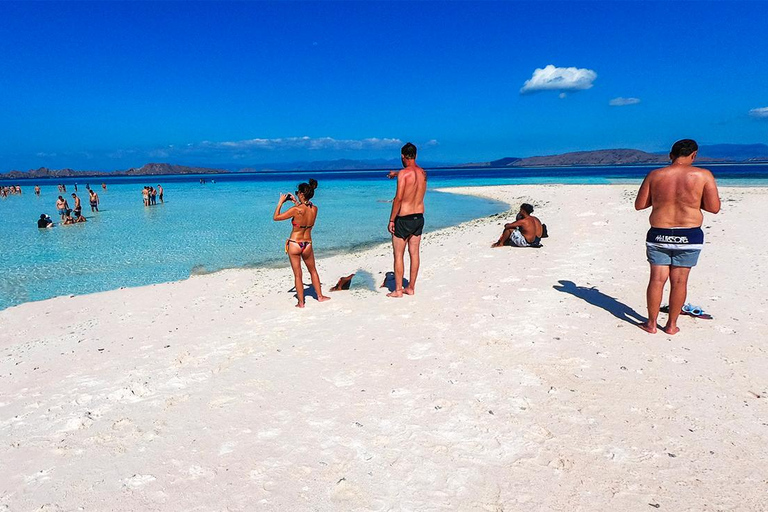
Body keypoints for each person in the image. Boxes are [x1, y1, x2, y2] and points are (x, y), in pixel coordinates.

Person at [635, 139, 720, 335]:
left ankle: (651, 324)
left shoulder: (655, 175)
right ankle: (671, 325)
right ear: (694, 155)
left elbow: (640, 205)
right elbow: (714, 208)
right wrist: (693, 202)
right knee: (680, 281)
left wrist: (662, 200)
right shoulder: (703, 175)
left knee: (657, 279)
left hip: (659, 233)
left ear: (670, 155)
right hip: (689, 234)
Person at [273, 179, 330, 308]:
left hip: (295, 243)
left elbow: (276, 217)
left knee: (298, 275)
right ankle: (320, 296)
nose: (297, 193)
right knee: (313, 271)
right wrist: (296, 201)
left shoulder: (295, 210)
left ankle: (301, 302)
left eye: (298, 192)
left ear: (302, 194)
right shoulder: (314, 209)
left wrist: (280, 202)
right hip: (307, 243)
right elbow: (305, 209)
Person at [387, 142, 427, 298]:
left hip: (404, 219)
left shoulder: (404, 173)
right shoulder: (423, 173)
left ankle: (398, 290)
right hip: (419, 217)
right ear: (416, 155)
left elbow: (398, 198)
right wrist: (396, 174)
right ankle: (410, 287)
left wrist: (391, 220)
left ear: (402, 156)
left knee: (398, 255)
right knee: (414, 253)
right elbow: (413, 175)